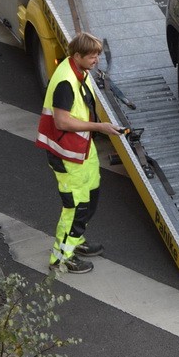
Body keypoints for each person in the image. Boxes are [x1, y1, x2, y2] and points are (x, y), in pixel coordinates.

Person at [36, 32, 122, 273]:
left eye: (97, 55)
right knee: (75, 208)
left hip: (81, 149)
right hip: (67, 153)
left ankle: (76, 241)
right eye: (92, 56)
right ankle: (61, 259)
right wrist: (100, 127)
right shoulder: (65, 82)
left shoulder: (77, 71)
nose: (96, 61)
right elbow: (62, 122)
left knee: (91, 196)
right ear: (77, 56)